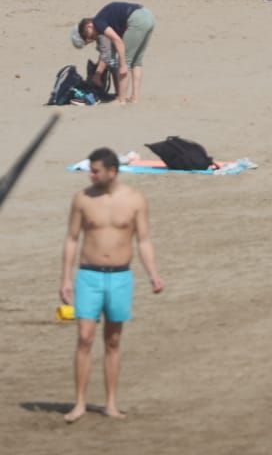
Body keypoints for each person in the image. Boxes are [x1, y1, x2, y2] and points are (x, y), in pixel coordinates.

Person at [59, 148, 164, 423]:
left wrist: (153, 274)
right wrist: (66, 278)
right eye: (90, 170)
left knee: (113, 341)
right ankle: (79, 403)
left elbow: (143, 240)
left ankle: (111, 404)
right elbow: (72, 239)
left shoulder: (135, 199)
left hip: (120, 277)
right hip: (89, 275)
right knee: (85, 338)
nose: (91, 175)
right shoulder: (82, 199)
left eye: (95, 171)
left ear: (112, 171)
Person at [71, 3, 155, 104]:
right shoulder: (105, 21)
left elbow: (117, 42)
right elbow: (113, 47)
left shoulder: (98, 22)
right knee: (137, 62)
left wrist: (122, 65)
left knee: (125, 63)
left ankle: (121, 100)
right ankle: (135, 98)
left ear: (89, 26)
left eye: (88, 36)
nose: (91, 39)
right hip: (148, 16)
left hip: (136, 19)